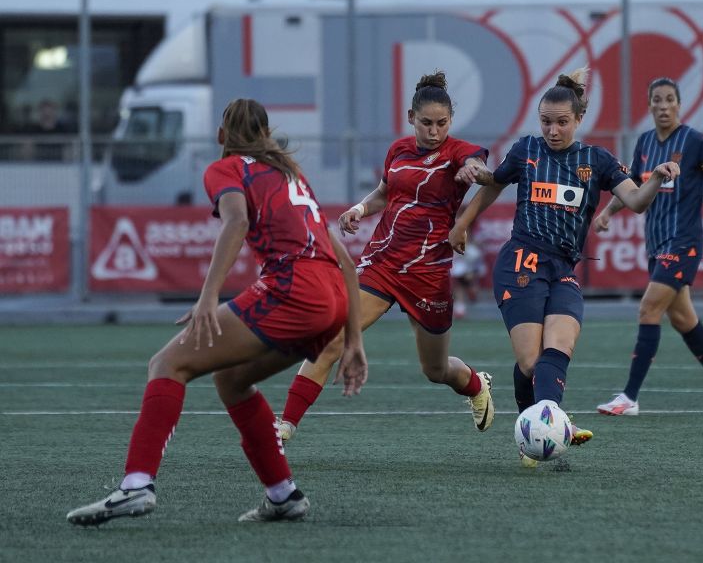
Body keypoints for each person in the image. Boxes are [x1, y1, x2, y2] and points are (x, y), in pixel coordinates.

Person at [66, 98, 366, 525]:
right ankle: (283, 494)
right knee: (232, 380)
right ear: (266, 135)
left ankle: (135, 486)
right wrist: (353, 340)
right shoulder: (291, 175)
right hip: (331, 298)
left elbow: (236, 221)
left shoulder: (225, 168)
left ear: (222, 136)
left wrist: (207, 297)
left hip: (295, 290)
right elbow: (347, 264)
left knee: (167, 364)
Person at [450, 68, 680, 465]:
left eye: (561, 122)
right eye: (545, 122)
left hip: (563, 269)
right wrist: (463, 221)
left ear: (578, 119)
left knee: (559, 347)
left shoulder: (597, 160)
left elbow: (637, 201)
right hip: (522, 261)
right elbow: (494, 183)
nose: (552, 130)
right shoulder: (526, 150)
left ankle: (546, 426)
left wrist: (656, 178)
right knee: (530, 362)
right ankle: (545, 425)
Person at [276, 71, 495, 441]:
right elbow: (384, 192)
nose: (434, 131)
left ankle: (475, 385)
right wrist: (359, 209)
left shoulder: (458, 151)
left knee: (435, 370)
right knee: (332, 339)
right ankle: (285, 425)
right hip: (382, 264)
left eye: (442, 123)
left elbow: (479, 167)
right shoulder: (397, 150)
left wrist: (476, 171)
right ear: (411, 117)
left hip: (427, 274)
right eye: (426, 123)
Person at [595, 77, 703, 417]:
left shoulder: (696, 141)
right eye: (657, 99)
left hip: (683, 242)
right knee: (682, 318)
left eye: (669, 99)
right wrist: (608, 211)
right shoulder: (644, 142)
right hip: (655, 243)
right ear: (649, 105)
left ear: (679, 104)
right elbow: (635, 185)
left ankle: (629, 397)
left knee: (648, 308)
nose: (663, 105)